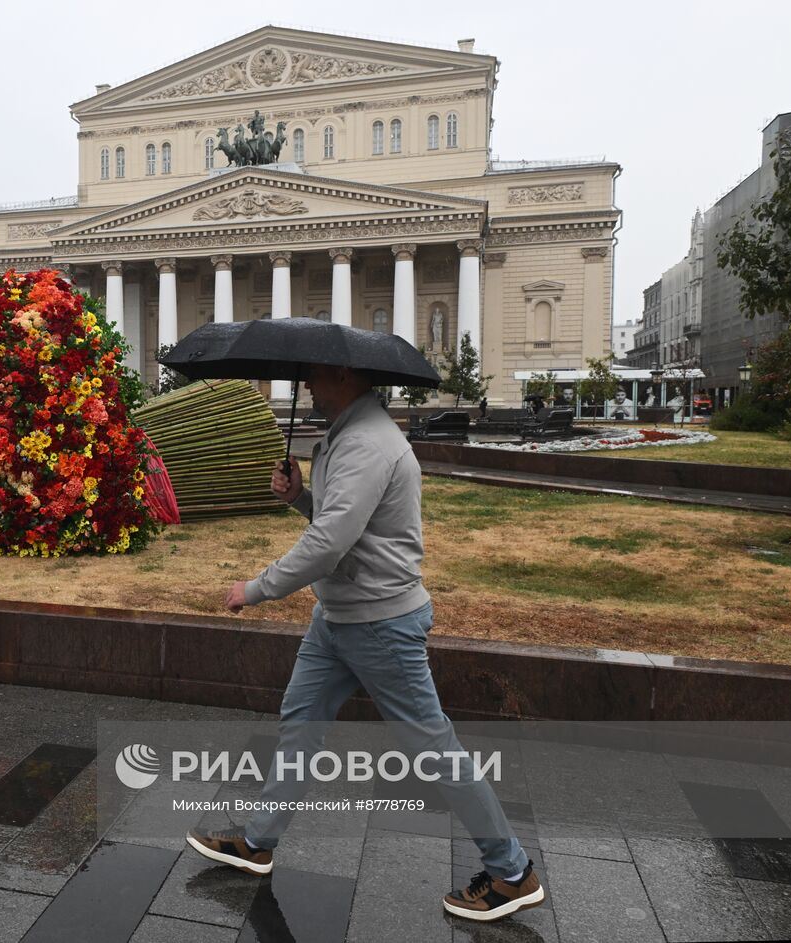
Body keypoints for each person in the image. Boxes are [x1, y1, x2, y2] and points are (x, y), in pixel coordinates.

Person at [185, 363, 545, 924]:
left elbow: (329, 544)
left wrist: (256, 589)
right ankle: (258, 842)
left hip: (378, 624)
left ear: (345, 377)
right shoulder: (350, 434)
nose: (306, 385)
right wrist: (300, 497)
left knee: (433, 747)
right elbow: (344, 524)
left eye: (314, 377)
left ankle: (511, 871)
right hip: (340, 616)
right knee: (300, 722)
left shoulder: (368, 443)